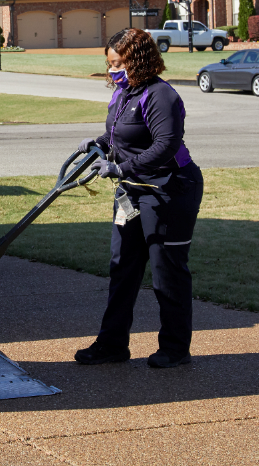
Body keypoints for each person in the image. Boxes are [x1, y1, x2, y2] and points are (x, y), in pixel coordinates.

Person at [75, 28, 203, 369]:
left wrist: (122, 168)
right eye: (109, 64)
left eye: (118, 63)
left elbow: (166, 146)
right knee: (123, 267)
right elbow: (119, 134)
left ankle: (175, 348)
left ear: (138, 61)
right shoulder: (124, 93)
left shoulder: (161, 95)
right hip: (133, 190)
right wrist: (99, 144)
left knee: (166, 271)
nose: (112, 71)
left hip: (169, 189)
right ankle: (112, 344)